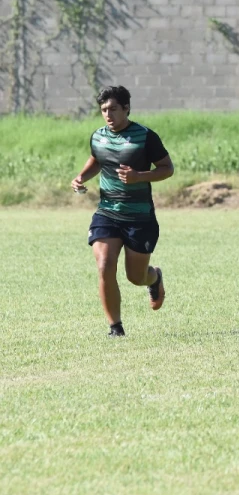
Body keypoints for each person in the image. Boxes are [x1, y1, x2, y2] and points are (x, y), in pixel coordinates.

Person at [70, 86, 173, 337]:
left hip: (139, 216)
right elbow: (97, 158)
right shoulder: (98, 136)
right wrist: (82, 176)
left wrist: (139, 176)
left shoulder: (145, 136)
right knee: (105, 265)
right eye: (104, 110)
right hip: (107, 212)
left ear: (126, 108)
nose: (108, 114)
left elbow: (166, 168)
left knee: (136, 277)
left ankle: (154, 278)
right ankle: (115, 327)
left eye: (113, 109)